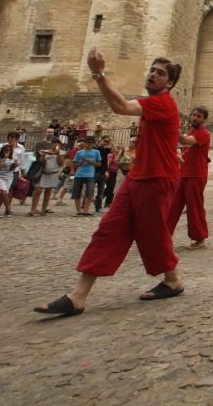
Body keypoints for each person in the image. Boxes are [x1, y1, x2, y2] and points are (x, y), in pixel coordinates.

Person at [34, 51, 186, 316]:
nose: (153, 74)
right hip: (139, 176)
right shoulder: (153, 105)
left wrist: (98, 74)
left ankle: (173, 280)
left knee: (153, 234)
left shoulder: (163, 104)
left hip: (157, 178)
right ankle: (78, 296)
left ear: (169, 84)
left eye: (160, 73)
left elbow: (121, 108)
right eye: (152, 70)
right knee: (109, 229)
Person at [168, 107, 212, 250]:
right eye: (193, 115)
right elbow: (183, 147)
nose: (194, 118)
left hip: (196, 175)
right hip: (184, 174)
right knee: (172, 206)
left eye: (198, 116)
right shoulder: (191, 132)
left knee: (195, 208)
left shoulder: (203, 134)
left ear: (204, 119)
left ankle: (200, 240)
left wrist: (172, 126)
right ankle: (163, 236)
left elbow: (185, 140)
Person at [30, 137, 66, 216]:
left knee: (48, 191)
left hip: (53, 173)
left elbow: (60, 163)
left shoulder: (62, 152)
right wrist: (43, 156)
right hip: (44, 173)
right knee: (38, 190)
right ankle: (32, 210)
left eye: (56, 143)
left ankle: (43, 210)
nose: (55, 144)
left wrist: (57, 154)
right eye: (53, 143)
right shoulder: (45, 151)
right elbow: (41, 161)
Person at [71, 137, 102, 217]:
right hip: (79, 174)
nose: (89, 145)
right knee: (76, 193)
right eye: (87, 143)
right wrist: (80, 162)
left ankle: (86, 211)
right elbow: (74, 164)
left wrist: (92, 162)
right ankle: (78, 211)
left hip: (90, 175)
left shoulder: (96, 152)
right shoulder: (79, 152)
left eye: (91, 143)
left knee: (90, 193)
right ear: (84, 143)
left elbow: (99, 164)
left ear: (93, 144)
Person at [0, 143, 20, 218]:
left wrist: (15, 165)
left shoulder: (12, 159)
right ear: (3, 151)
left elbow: (12, 169)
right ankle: (8, 207)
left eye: (9, 150)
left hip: (9, 177)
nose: (8, 151)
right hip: (0, 177)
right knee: (4, 192)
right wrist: (5, 158)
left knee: (2, 195)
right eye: (6, 150)